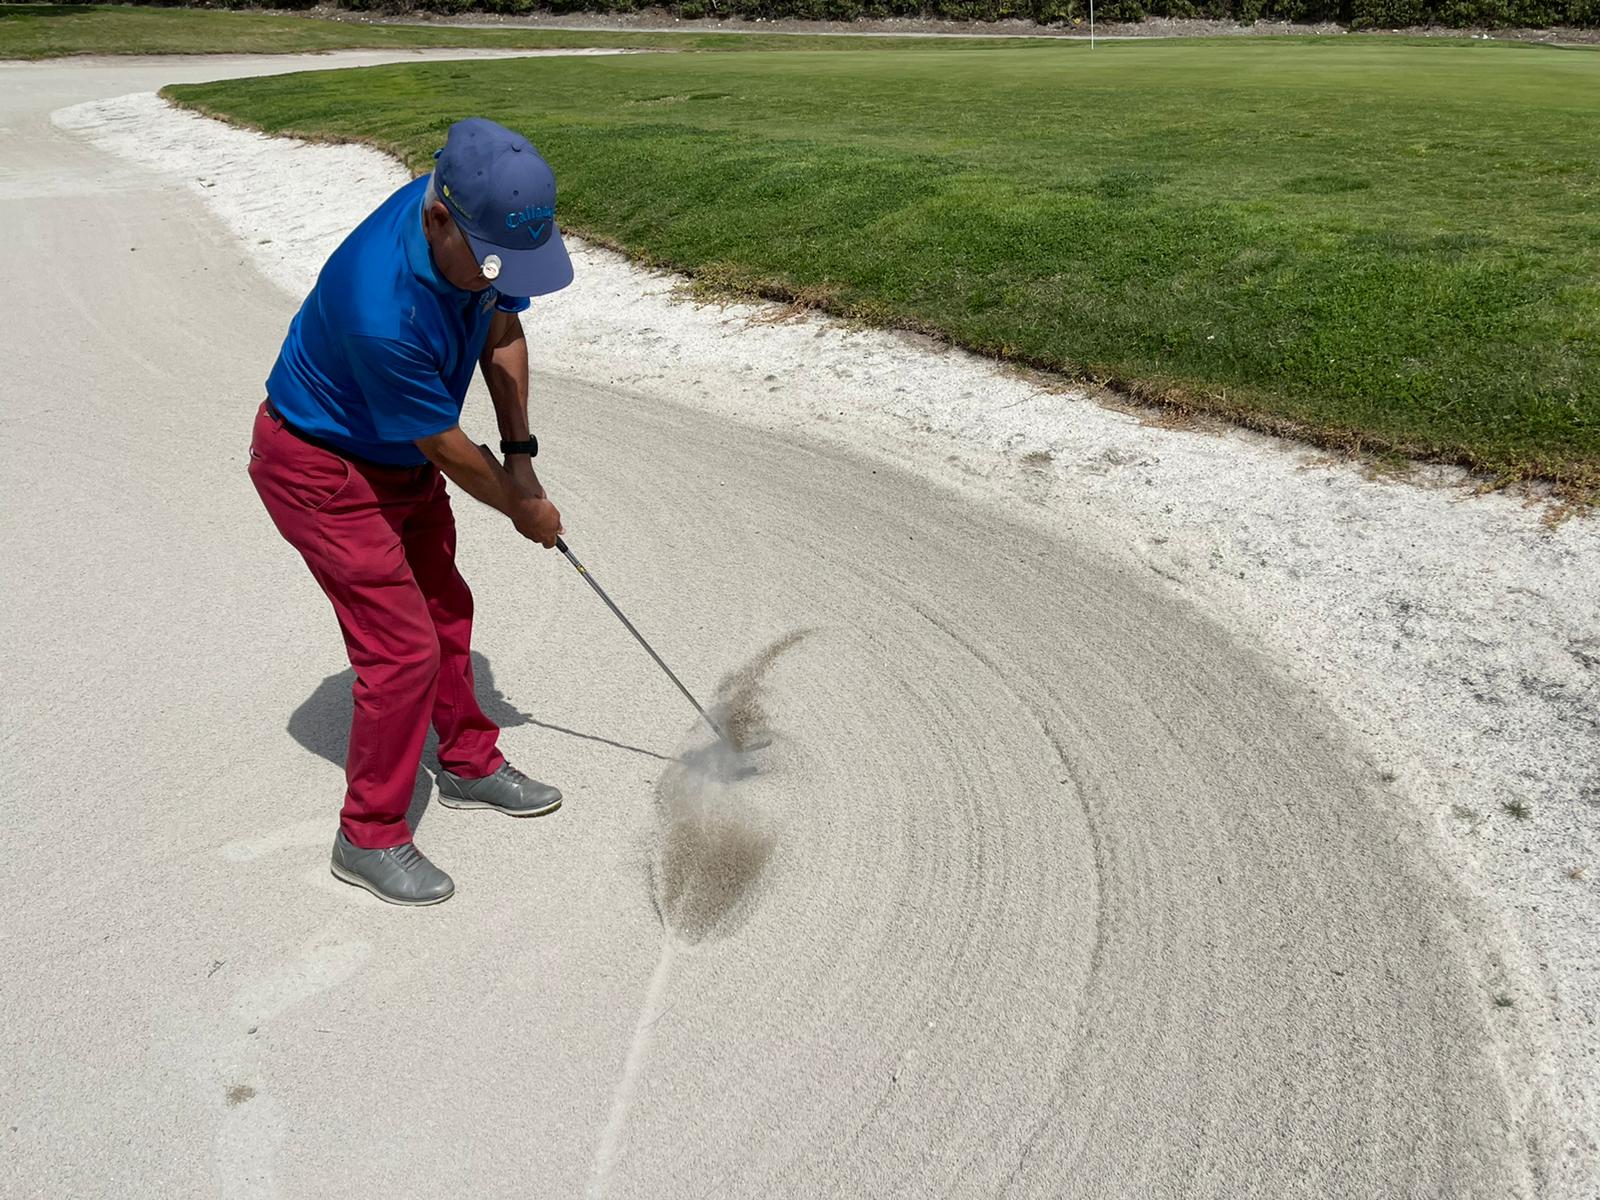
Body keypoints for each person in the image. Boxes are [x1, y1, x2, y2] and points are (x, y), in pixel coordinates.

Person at [247, 117, 572, 907]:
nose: (499, 276)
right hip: (319, 468)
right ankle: (367, 835)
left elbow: (502, 330)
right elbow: (445, 447)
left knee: (445, 609)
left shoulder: (478, 219)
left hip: (398, 454)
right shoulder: (378, 306)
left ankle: (467, 764)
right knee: (401, 651)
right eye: (490, 262)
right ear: (437, 219)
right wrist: (521, 509)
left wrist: (521, 457)